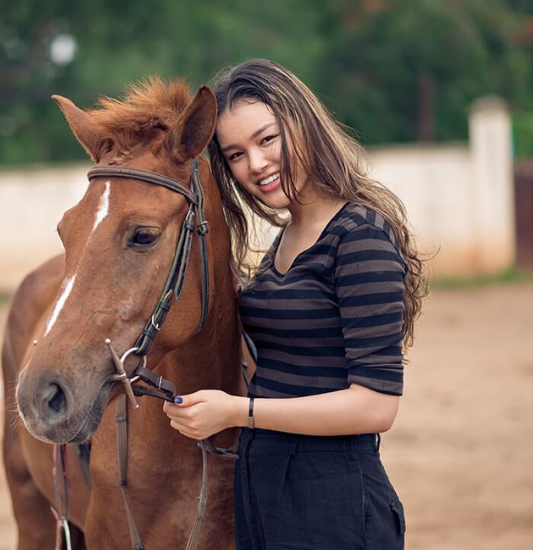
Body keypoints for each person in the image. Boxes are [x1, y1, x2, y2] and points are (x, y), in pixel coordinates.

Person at [163, 59, 428, 549]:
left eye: (268, 139)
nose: (257, 164)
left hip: (333, 499)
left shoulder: (360, 237)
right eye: (237, 154)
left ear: (302, 121)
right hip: (265, 486)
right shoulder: (285, 241)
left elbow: (375, 406)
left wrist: (238, 412)